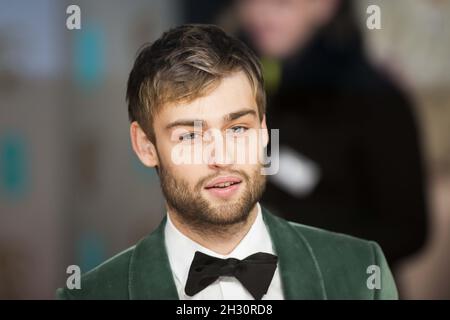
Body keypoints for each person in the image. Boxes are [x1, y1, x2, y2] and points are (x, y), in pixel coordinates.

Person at [56, 24, 397, 300]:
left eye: (237, 128)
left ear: (263, 130)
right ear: (145, 146)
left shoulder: (362, 273)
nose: (222, 158)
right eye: (190, 136)